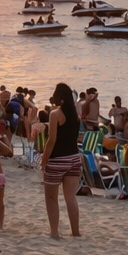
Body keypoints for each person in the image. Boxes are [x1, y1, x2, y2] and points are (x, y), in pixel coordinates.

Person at [41, 82, 82, 239]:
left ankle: (54, 232)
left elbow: (52, 140)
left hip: (57, 160)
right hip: (74, 158)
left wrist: (44, 159)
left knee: (51, 198)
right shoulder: (76, 116)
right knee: (71, 198)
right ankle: (75, 232)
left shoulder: (55, 114)